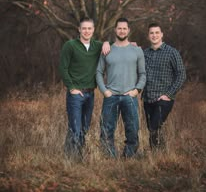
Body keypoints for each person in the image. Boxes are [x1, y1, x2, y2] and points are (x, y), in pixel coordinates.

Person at [59, 17, 110, 158]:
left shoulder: (97, 46)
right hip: (76, 94)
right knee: (75, 127)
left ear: (93, 30)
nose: (87, 31)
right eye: (84, 28)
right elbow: (63, 68)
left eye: (89, 28)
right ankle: (72, 159)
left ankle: (75, 156)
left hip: (90, 93)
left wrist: (106, 42)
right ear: (79, 29)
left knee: (84, 128)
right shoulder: (70, 45)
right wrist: (71, 87)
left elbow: (117, 44)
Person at [96, 17, 146, 158]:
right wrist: (105, 91)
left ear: (128, 30)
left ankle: (128, 158)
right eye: (119, 28)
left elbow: (142, 74)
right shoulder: (107, 49)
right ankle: (110, 159)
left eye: (125, 28)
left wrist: (136, 90)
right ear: (115, 30)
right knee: (106, 130)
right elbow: (99, 72)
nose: (122, 31)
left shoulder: (137, 50)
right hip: (111, 96)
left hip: (129, 97)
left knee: (132, 130)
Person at [142, 23, 186, 150]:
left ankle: (157, 155)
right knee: (152, 129)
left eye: (157, 32)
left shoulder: (172, 52)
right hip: (148, 98)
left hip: (163, 99)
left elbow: (181, 74)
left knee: (154, 126)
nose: (154, 35)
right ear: (148, 36)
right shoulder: (144, 53)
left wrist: (169, 94)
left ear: (162, 34)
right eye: (151, 33)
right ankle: (159, 156)